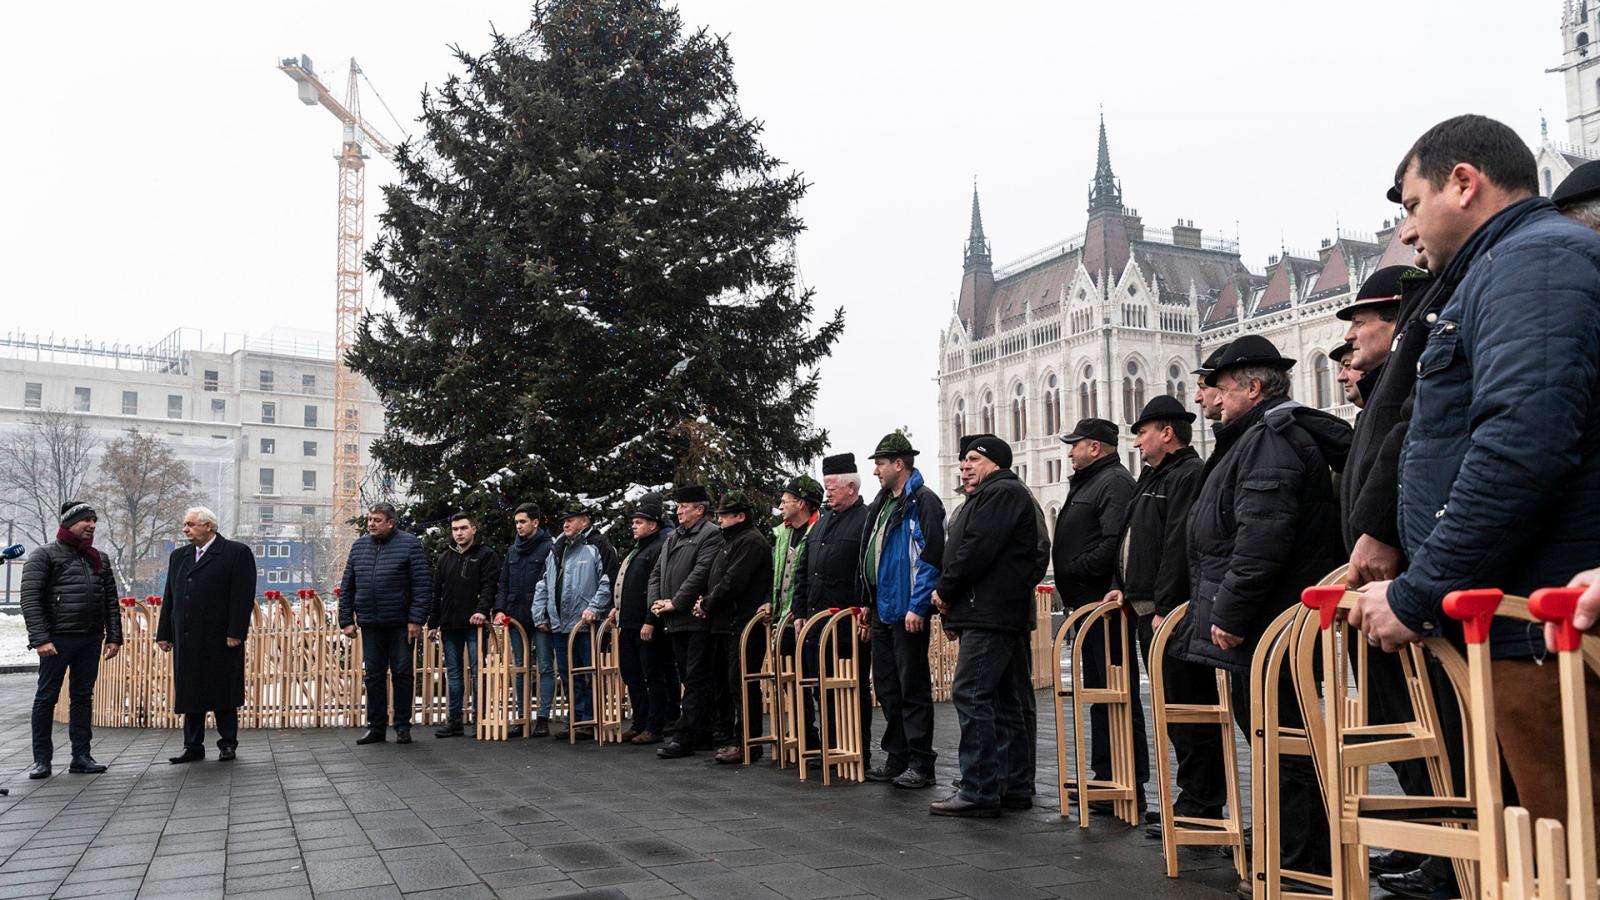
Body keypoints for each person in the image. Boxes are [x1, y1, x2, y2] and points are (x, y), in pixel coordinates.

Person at [1352, 114, 1600, 845]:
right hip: (1519, 618)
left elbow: (1519, 446)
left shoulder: (1535, 261)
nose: (1404, 232)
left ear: (1464, 182)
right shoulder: (1500, 269)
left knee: (1566, 857)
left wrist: (1418, 592)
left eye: (1408, 203)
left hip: (1542, 624)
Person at [1181, 333, 1350, 881]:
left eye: (1223, 389)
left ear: (1253, 389)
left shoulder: (1270, 440)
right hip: (1272, 621)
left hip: (1271, 623)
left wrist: (1228, 613)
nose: (1215, 399)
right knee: (1276, 735)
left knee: (1283, 738)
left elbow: (1261, 538)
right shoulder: (1257, 436)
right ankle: (1294, 848)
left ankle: (1299, 862)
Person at [1102, 396, 1213, 834]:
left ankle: (1201, 805)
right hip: (1144, 607)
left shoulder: (1186, 475)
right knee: (1172, 710)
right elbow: (1131, 536)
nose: (1136, 440)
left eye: (1142, 431)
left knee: (1189, 710)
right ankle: (1191, 800)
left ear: (1166, 432)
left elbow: (1178, 546)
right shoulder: (1152, 476)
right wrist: (1120, 583)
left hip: (1168, 615)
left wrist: (1165, 607)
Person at [929, 435, 1049, 817]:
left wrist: (946, 592)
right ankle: (1012, 785)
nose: (965, 465)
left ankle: (979, 788)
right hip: (995, 611)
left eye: (974, 459)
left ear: (995, 462)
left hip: (991, 613)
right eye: (963, 460)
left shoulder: (1001, 494)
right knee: (1004, 698)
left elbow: (976, 548)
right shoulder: (995, 494)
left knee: (972, 692)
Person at [1052, 416, 1144, 814]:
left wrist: (1076, 568)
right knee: (1101, 694)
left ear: (1094, 448)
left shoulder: (1114, 482)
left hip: (1104, 607)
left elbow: (1112, 542)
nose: (1069, 451)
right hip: (1090, 605)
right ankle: (1108, 775)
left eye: (1075, 444)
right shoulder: (1094, 481)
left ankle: (1126, 780)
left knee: (1116, 693)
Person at [861, 430, 945, 789]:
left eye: (881, 463)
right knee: (888, 687)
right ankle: (897, 755)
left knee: (912, 687)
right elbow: (871, 555)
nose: (876, 470)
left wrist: (918, 605)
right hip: (882, 607)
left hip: (906, 610)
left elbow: (930, 558)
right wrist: (867, 602)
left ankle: (921, 762)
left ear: (900, 464)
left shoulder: (922, 502)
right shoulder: (883, 504)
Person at [21, 501, 121, 779]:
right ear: (68, 523)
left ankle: (81, 756)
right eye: (86, 520)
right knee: (46, 698)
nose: (91, 525)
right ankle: (42, 760)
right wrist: (40, 639)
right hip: (56, 640)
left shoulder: (99, 557)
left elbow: (110, 601)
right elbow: (30, 599)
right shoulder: (44, 556)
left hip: (90, 638)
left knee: (82, 697)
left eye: (94, 520)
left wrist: (114, 636)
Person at [792, 453, 874, 767]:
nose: (828, 494)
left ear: (851, 487)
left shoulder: (865, 518)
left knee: (852, 690)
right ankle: (830, 747)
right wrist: (800, 611)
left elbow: (866, 570)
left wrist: (865, 609)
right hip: (816, 623)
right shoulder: (823, 521)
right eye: (826, 488)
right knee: (822, 689)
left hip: (846, 625)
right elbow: (803, 569)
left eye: (833, 488)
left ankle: (857, 751)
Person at [157, 506, 256, 763]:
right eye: (185, 524)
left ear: (208, 526)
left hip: (220, 636)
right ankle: (193, 745)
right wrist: (164, 633)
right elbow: (171, 597)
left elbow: (242, 597)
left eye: (190, 524)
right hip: (187, 636)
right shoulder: (179, 556)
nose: (185, 529)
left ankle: (227, 743)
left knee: (222, 689)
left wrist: (236, 631)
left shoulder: (235, 553)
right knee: (190, 690)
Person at [339, 502, 433, 745]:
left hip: (401, 623)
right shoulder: (359, 547)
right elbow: (348, 584)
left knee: (402, 673)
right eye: (370, 519)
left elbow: (422, 585)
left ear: (391, 522)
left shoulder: (410, 544)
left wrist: (416, 619)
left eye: (377, 520)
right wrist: (346, 620)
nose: (371, 524)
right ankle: (376, 727)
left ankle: (402, 726)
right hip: (371, 623)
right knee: (373, 676)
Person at [698, 492, 774, 764]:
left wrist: (708, 602)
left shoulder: (751, 542)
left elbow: (733, 581)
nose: (719, 521)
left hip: (741, 623)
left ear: (740, 516)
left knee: (741, 684)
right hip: (725, 622)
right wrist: (707, 601)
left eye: (724, 516)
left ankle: (747, 742)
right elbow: (719, 578)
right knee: (725, 682)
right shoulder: (731, 541)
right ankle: (730, 736)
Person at [651, 485, 725, 759]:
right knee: (688, 676)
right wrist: (656, 601)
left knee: (695, 677)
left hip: (695, 619)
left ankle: (685, 736)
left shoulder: (710, 535)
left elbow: (700, 573)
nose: (679, 511)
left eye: (685, 506)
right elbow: (657, 572)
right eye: (678, 506)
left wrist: (676, 602)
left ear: (700, 509)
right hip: (674, 620)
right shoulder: (673, 537)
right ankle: (702, 731)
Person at [531, 507, 612, 739]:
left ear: (585, 521)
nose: (565, 524)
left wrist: (595, 608)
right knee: (568, 674)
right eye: (563, 520)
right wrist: (540, 614)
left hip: (586, 624)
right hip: (560, 624)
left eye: (571, 519)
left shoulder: (597, 545)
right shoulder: (557, 549)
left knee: (588, 673)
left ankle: (589, 719)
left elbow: (608, 579)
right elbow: (543, 583)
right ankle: (575, 719)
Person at [428, 512, 501, 738]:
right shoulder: (444, 558)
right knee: (455, 673)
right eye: (455, 529)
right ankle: (455, 720)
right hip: (450, 625)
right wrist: (433, 622)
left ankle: (481, 718)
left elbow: (490, 587)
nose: (458, 533)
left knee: (479, 672)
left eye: (463, 528)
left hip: (475, 625)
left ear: (474, 529)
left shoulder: (486, 555)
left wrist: (481, 611)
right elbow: (437, 593)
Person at [612, 493, 676, 744]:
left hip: (646, 623)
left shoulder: (659, 547)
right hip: (628, 621)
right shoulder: (639, 547)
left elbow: (656, 587)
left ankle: (654, 725)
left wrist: (650, 619)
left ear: (653, 524)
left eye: (639, 522)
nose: (634, 526)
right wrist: (617, 607)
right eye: (634, 521)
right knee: (631, 674)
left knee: (653, 674)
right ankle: (639, 721)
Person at [493, 503, 551, 736]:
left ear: (535, 522)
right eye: (516, 522)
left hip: (540, 618)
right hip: (515, 616)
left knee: (545, 666)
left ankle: (543, 717)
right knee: (520, 668)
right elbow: (503, 583)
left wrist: (546, 614)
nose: (518, 526)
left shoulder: (549, 548)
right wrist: (499, 609)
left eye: (523, 521)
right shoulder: (512, 551)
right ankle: (521, 716)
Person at [770, 475, 821, 622]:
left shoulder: (818, 533)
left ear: (800, 503)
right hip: (780, 618)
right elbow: (772, 572)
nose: (780, 507)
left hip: (804, 619)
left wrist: (801, 610)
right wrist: (769, 600)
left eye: (784, 502)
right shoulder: (780, 533)